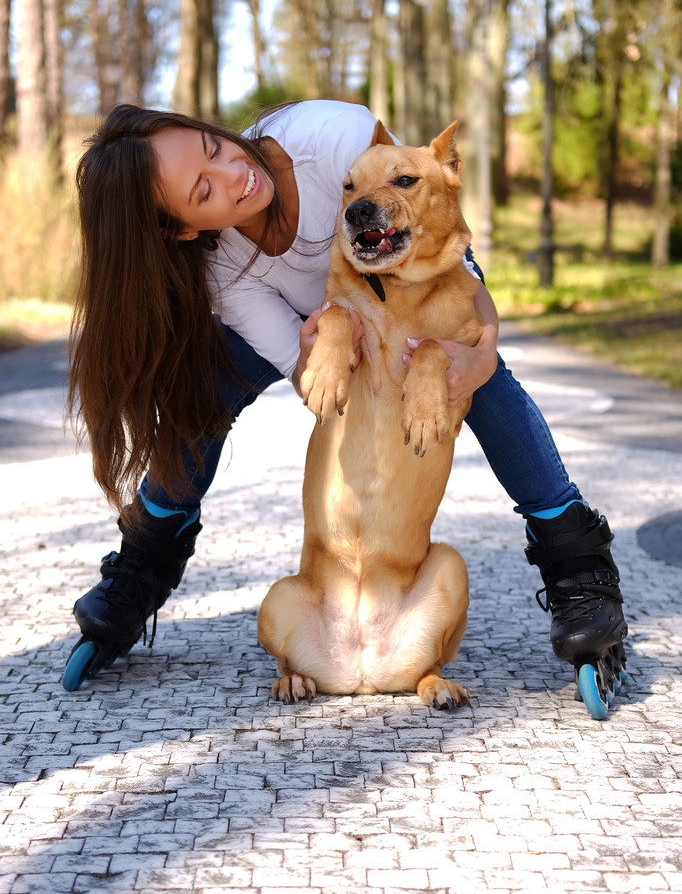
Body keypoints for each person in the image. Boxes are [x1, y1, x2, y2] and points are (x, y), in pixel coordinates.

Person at [66, 99, 627, 701]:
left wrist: (481, 354)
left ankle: (577, 564)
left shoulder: (333, 138)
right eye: (204, 191)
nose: (234, 173)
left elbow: (450, 261)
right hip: (324, 323)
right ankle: (144, 560)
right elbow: (313, 381)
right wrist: (332, 334)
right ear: (181, 227)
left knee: (470, 378)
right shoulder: (224, 270)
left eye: (215, 148)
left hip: (404, 290)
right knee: (206, 392)